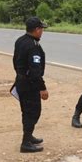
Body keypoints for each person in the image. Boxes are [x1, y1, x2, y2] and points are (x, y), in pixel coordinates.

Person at [13, 17, 48, 153]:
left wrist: (20, 74)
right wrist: (42, 88)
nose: (42, 32)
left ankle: (29, 137)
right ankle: (26, 143)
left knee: (26, 111)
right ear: (37, 30)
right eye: (41, 29)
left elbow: (15, 61)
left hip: (21, 80)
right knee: (33, 112)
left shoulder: (21, 40)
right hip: (29, 84)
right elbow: (35, 71)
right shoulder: (32, 46)